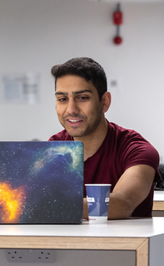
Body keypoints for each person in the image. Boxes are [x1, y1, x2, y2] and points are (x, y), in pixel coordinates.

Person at [49, 57, 161, 219]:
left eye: (83, 98)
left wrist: (44, 206)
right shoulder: (52, 149)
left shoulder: (137, 150)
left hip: (123, 244)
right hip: (64, 244)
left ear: (105, 102)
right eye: (62, 99)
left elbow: (122, 204)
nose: (71, 109)